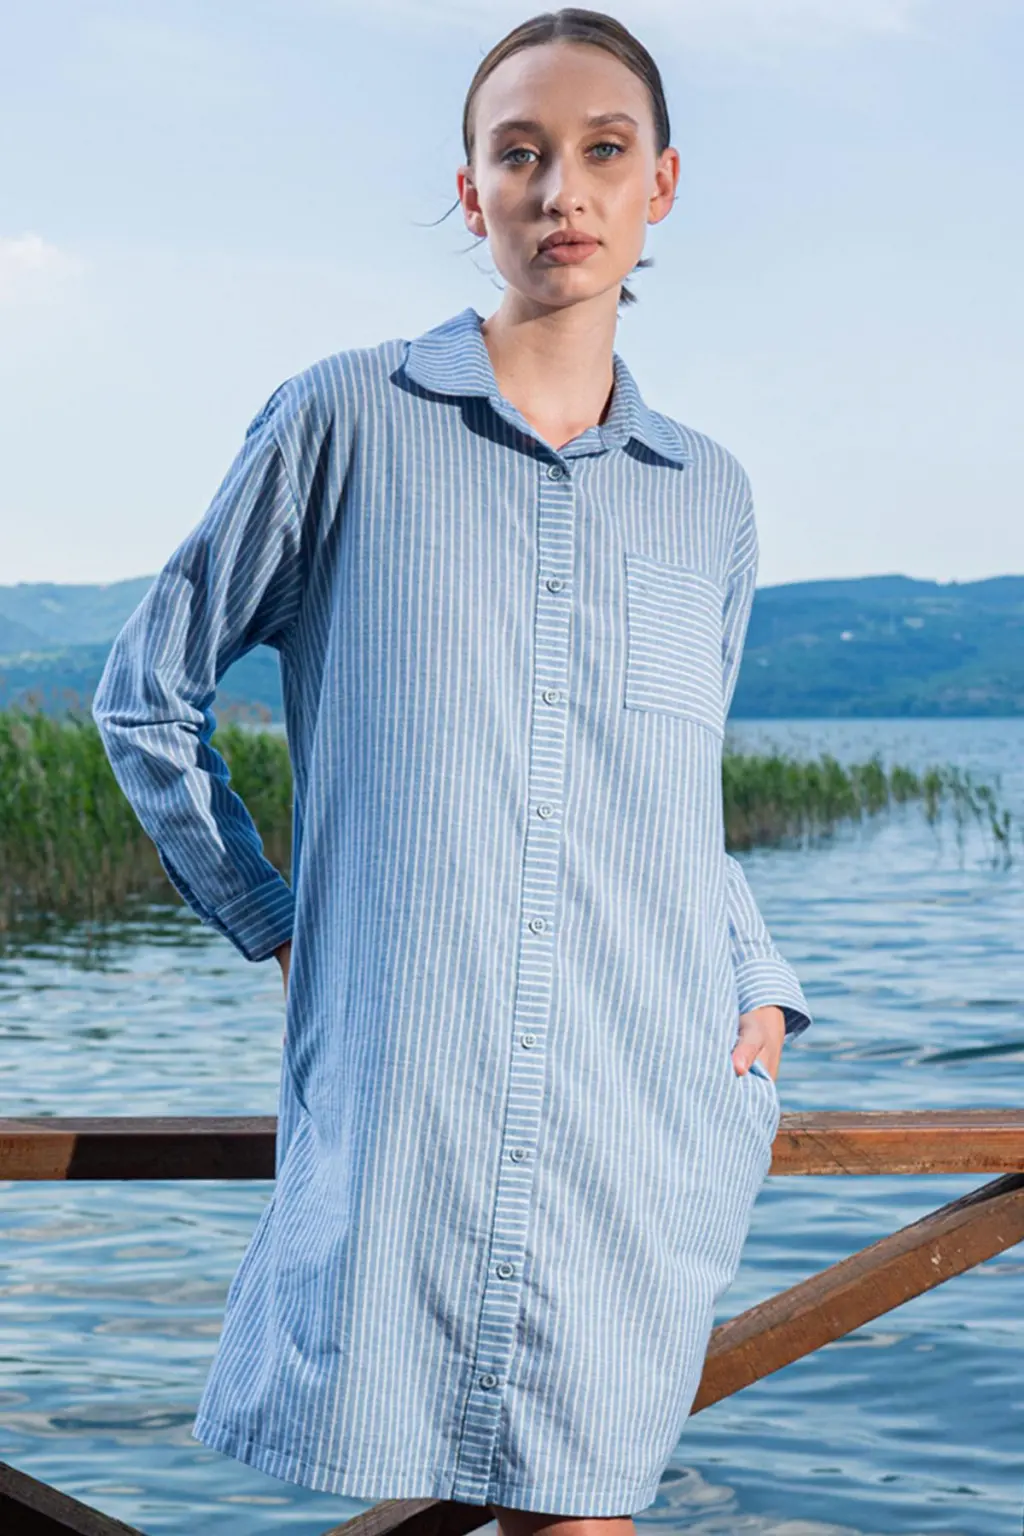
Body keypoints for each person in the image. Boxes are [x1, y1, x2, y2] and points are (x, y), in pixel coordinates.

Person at [91, 7, 813, 1533]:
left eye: (603, 151)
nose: (563, 190)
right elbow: (147, 696)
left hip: (644, 1102)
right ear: (472, 190)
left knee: (587, 1512)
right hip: (419, 1104)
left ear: (662, 183)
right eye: (521, 153)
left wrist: (757, 979)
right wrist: (278, 924)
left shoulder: (713, 497)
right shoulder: (345, 419)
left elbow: (673, 796)